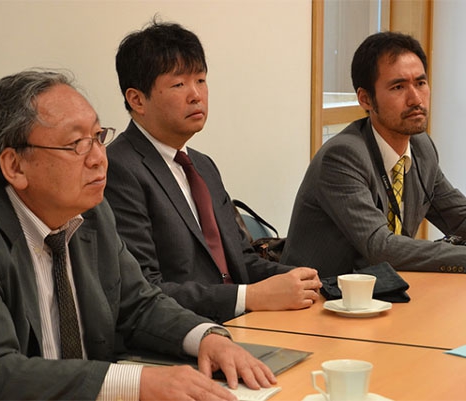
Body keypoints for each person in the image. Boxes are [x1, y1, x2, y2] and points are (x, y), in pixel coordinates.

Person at [0, 70, 277, 401]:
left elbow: (139, 304)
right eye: (76, 144)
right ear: (15, 166)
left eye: (98, 137)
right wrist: (141, 383)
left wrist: (208, 338)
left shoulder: (91, 213)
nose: (98, 158)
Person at [104, 20, 321, 324]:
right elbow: (145, 289)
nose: (196, 95)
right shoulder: (118, 169)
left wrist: (306, 281)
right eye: (179, 84)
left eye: (201, 80)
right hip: (181, 336)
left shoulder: (202, 165)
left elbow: (240, 260)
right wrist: (251, 297)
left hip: (243, 322)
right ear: (136, 99)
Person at [280, 31, 466, 277]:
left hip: (385, 294)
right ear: (365, 99)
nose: (416, 99)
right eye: (398, 87)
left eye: (420, 83)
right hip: (321, 302)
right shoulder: (342, 157)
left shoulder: (420, 146)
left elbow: (463, 220)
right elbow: (380, 246)